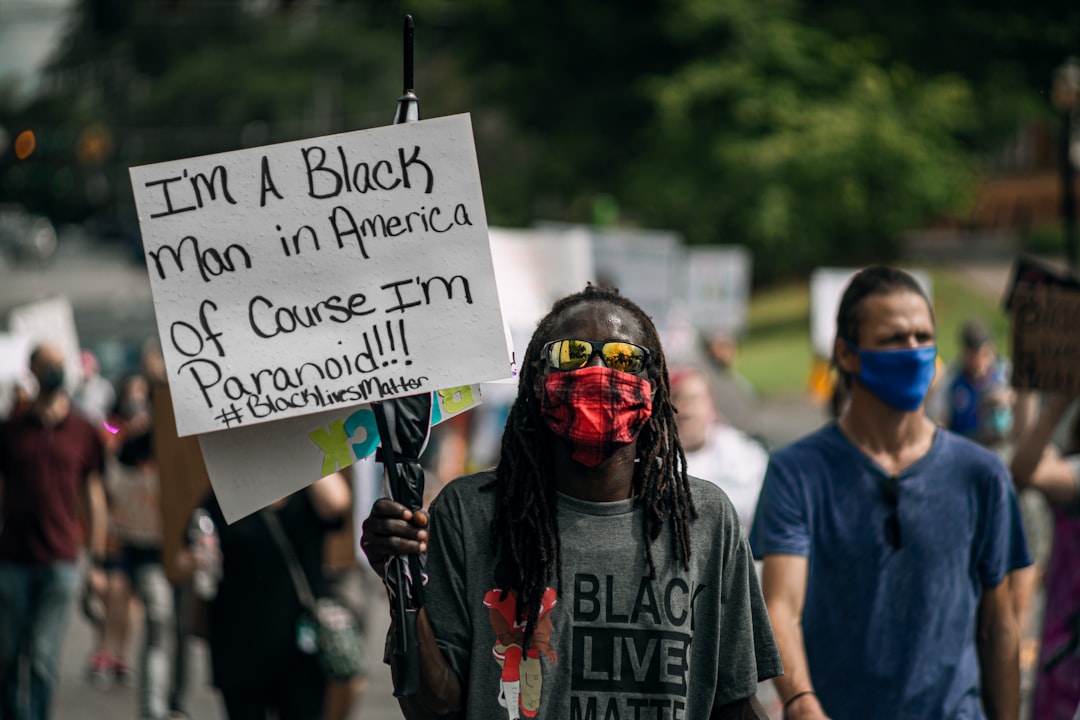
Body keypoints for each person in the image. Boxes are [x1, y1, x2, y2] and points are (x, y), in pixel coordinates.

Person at [362, 284, 782, 720]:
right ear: (536, 381)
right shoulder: (470, 513)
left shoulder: (704, 518)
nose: (598, 369)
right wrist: (401, 581)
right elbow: (435, 708)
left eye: (623, 358)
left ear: (654, 387)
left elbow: (734, 704)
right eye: (572, 354)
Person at [750, 266, 1031, 720]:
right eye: (895, 339)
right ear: (847, 354)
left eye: (924, 336)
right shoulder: (797, 473)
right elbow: (780, 607)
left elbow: (998, 626)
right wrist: (801, 702)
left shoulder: (981, 473)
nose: (914, 351)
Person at [181, 472, 351, 720]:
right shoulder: (226, 493)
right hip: (238, 649)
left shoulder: (308, 493)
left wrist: (298, 444)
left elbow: (337, 503)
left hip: (300, 649)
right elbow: (184, 555)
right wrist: (197, 562)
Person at [0, 342, 109, 720]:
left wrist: (95, 561)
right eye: (48, 365)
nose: (54, 371)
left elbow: (93, 496)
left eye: (59, 364)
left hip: (61, 561)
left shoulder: (84, 429)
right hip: (12, 558)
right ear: (32, 370)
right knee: (9, 656)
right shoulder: (11, 430)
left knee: (43, 658)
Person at [1009, 392, 1080, 720]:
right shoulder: (1071, 468)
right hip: (1064, 646)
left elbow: (1025, 467)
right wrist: (1047, 401)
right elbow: (1024, 463)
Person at [669, 366, 769, 533]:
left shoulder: (743, 454)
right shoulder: (653, 461)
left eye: (693, 398)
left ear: (710, 404)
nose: (686, 409)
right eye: (676, 398)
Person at [929, 318, 1011, 439]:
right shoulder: (951, 378)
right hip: (963, 443)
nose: (981, 363)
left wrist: (1009, 399)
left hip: (1000, 444)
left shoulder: (1005, 372)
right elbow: (939, 420)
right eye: (975, 357)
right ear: (964, 353)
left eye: (985, 355)